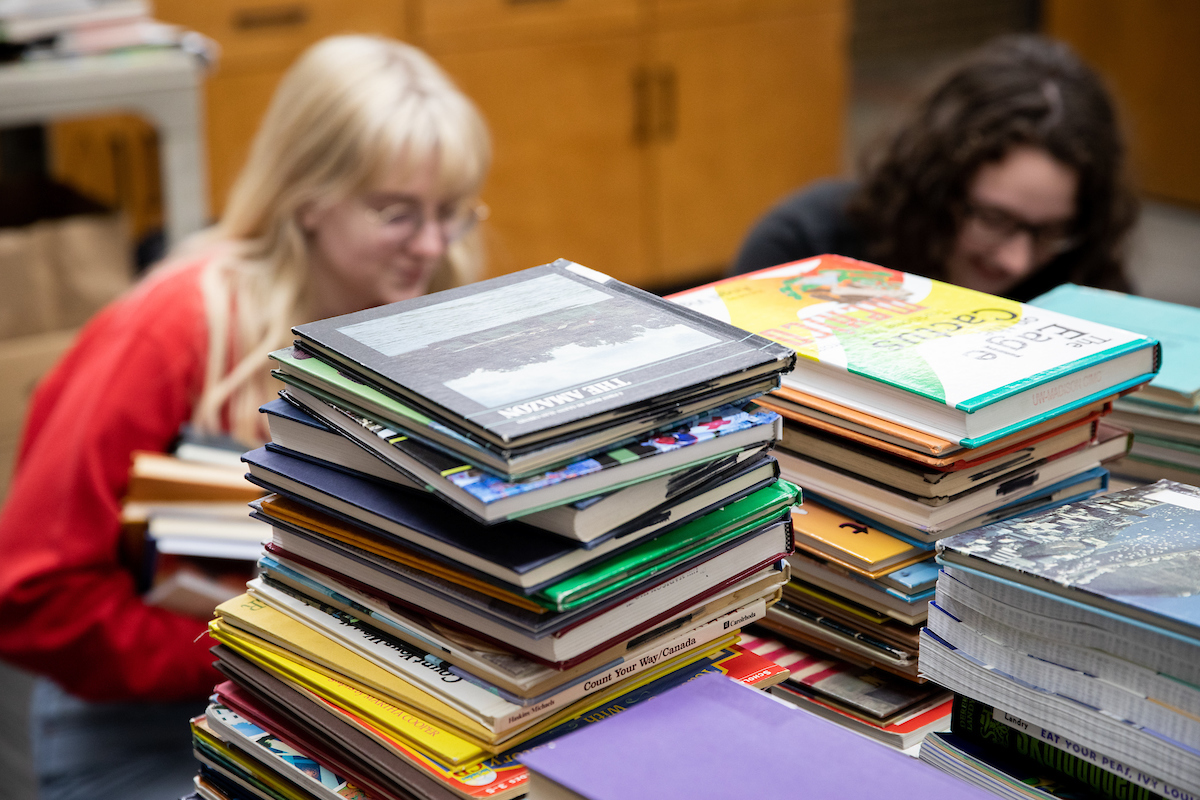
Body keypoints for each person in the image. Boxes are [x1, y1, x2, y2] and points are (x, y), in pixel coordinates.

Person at [0, 34, 490, 799]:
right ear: (308, 197)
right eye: (395, 214)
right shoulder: (171, 331)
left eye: (453, 214)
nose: (431, 246)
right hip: (154, 721)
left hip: (361, 701)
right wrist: (279, 651)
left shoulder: (434, 312)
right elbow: (34, 598)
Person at [731, 34, 1138, 302]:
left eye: (1050, 231)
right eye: (994, 218)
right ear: (936, 184)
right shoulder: (802, 246)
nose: (1016, 261)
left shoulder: (1085, 280)